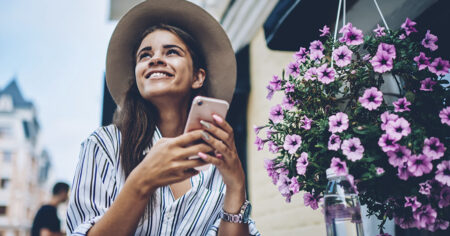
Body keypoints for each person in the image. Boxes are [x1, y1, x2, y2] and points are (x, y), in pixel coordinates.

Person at [66, 0, 259, 235]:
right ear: (138, 79)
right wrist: (142, 180)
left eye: (172, 52)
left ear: (198, 77)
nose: (155, 59)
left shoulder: (216, 161)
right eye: (144, 55)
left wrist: (237, 185)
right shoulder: (103, 145)